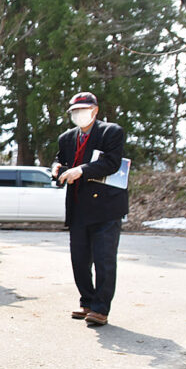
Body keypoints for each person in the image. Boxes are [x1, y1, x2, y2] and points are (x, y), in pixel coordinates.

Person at [52, 92, 128, 326]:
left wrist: (81, 170)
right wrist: (57, 168)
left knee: (105, 259)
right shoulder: (66, 138)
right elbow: (59, 159)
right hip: (78, 207)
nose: (79, 115)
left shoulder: (111, 132)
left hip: (106, 208)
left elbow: (111, 163)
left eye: (83, 110)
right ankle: (87, 301)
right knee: (79, 259)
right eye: (74, 111)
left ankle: (101, 308)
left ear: (95, 110)